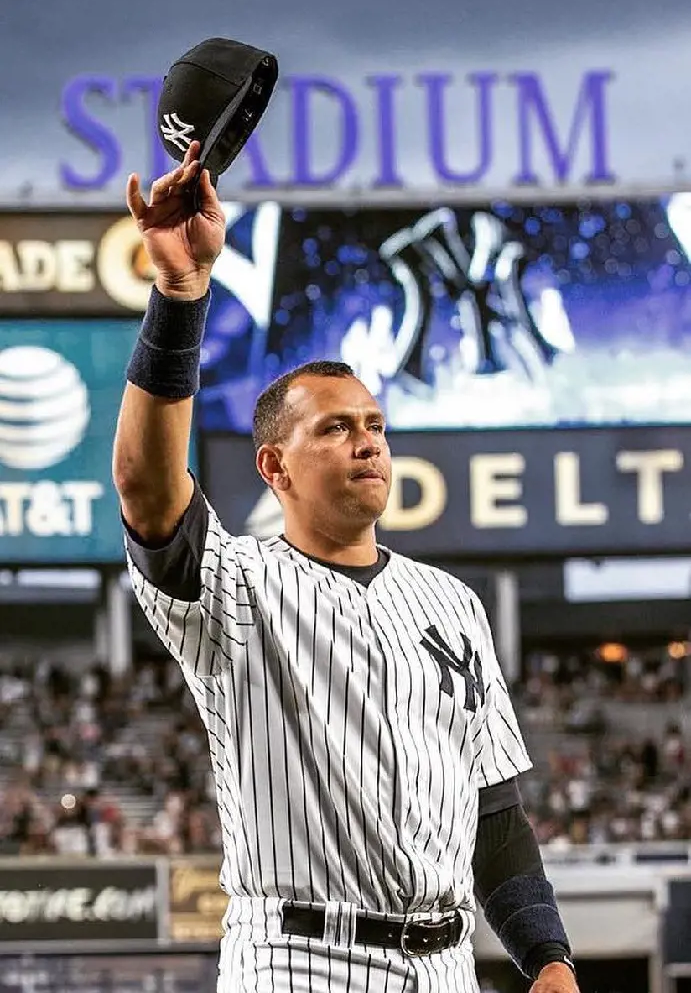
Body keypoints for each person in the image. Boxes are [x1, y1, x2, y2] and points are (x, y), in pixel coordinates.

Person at [113, 140, 580, 993]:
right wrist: (181, 293)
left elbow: (495, 815)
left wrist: (547, 961)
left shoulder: (451, 602)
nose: (365, 438)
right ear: (273, 467)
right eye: (333, 427)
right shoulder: (231, 587)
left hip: (445, 965)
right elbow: (147, 487)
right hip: (297, 960)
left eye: (373, 423)